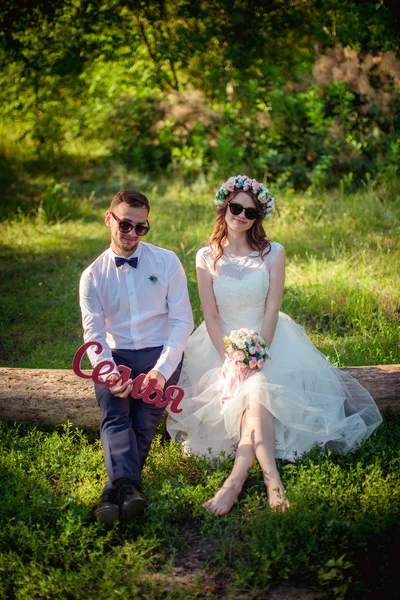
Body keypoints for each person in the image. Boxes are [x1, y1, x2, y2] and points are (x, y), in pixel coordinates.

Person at [167, 175, 382, 516]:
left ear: (258, 217)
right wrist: (229, 360)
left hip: (269, 339)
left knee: (257, 389)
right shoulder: (205, 256)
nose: (240, 216)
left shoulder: (273, 252)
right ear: (225, 207)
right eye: (235, 207)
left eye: (249, 212)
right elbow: (209, 314)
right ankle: (271, 480)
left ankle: (236, 482)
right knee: (253, 393)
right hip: (219, 344)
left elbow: (271, 308)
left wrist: (256, 353)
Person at [79, 189, 194, 526]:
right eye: (125, 225)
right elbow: (95, 336)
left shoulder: (167, 262)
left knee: (143, 423)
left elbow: (181, 322)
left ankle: (111, 494)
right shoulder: (93, 276)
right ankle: (127, 490)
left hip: (160, 353)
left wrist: (161, 372)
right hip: (117, 356)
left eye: (141, 228)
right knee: (115, 414)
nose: (131, 234)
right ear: (108, 219)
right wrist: (108, 372)